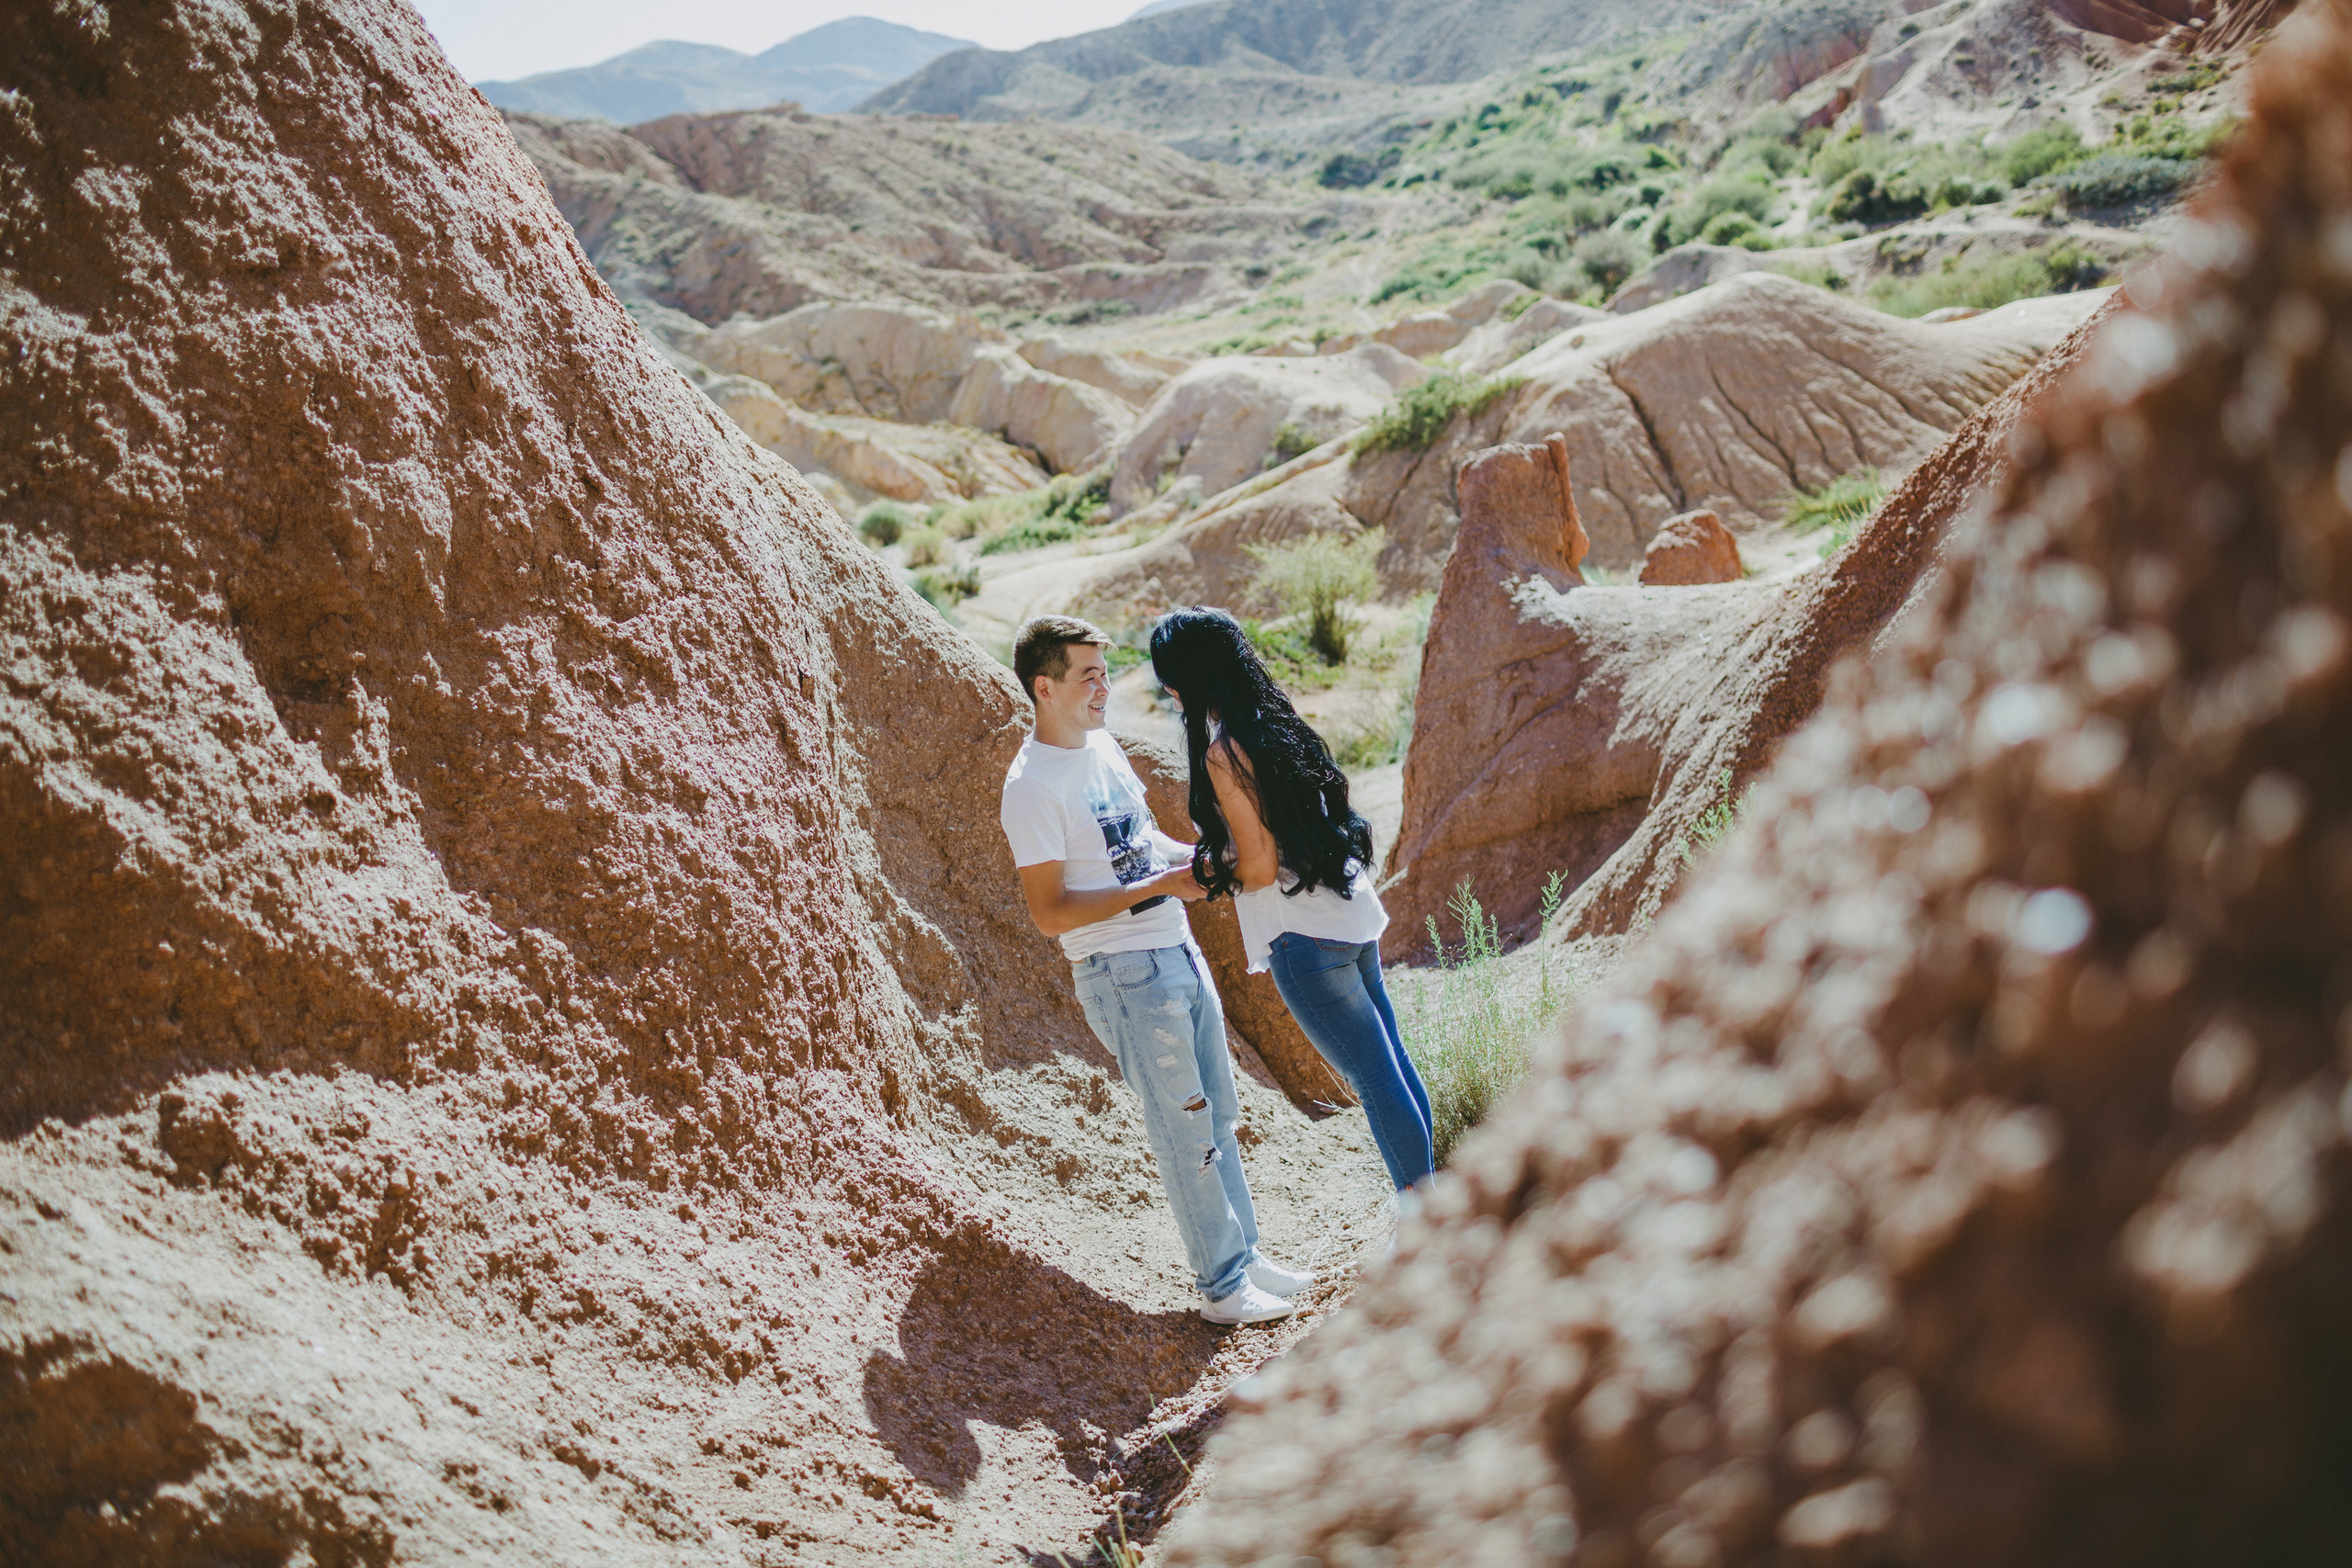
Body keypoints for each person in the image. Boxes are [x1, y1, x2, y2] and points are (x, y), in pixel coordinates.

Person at [998, 615, 1311, 1325]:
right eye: (1088, 674)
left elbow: (1139, 844)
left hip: (1174, 946)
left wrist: (1192, 862)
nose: (1105, 685)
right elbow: (1049, 912)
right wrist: (1159, 886)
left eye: (1105, 672)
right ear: (1044, 687)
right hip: (1122, 970)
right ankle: (1223, 1285)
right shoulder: (1030, 786)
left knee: (1220, 1116)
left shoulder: (1101, 747)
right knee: (1185, 1128)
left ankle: (1247, 1254)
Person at [1148, 606, 1436, 1209]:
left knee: (1374, 1079)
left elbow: (1256, 867)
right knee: (1393, 1064)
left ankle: (1424, 1224)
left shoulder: (1224, 751)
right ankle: (1435, 1210)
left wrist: (1190, 878)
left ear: (1189, 678)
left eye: (1168, 679)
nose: (1168, 692)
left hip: (1303, 940)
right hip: (1349, 910)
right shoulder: (1274, 720)